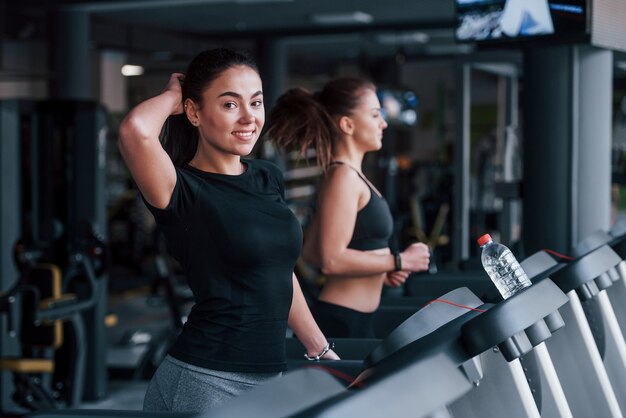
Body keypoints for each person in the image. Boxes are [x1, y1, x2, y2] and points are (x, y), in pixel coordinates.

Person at [118, 48, 338, 413]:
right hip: (205, 379)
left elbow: (277, 272)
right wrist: (173, 95)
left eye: (256, 102)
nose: (249, 117)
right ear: (193, 112)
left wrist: (319, 348)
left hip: (269, 377)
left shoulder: (267, 176)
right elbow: (135, 131)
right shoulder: (180, 188)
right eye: (230, 104)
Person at [265, 77, 431, 338]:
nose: (383, 123)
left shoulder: (349, 175)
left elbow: (312, 253)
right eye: (375, 114)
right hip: (341, 321)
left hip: (354, 317)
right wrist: (399, 260)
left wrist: (380, 269)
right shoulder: (343, 177)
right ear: (347, 124)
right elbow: (332, 260)